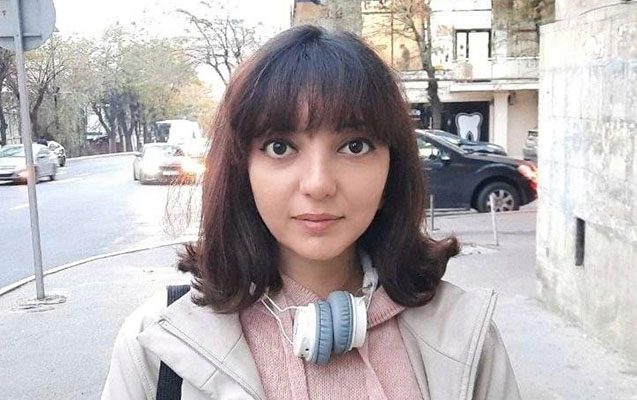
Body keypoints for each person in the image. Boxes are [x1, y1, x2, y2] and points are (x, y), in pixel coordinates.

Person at [102, 25, 521, 399]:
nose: (318, 184)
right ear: (242, 169)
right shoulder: (160, 343)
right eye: (280, 147)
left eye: (354, 145)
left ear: (392, 168)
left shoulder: (465, 339)